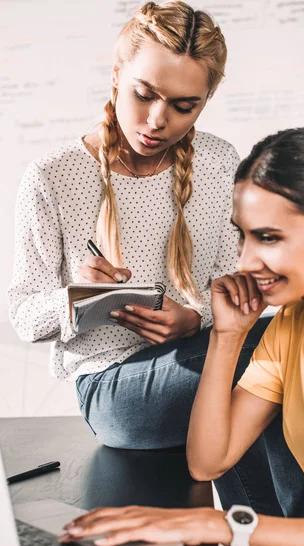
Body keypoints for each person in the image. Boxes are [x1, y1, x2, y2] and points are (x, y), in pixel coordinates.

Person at [60, 127, 304, 546]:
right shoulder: (292, 323)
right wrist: (226, 335)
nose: (245, 260)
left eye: (268, 237)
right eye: (243, 236)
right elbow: (208, 459)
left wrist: (219, 526)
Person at [7, 0, 270, 449]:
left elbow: (240, 286)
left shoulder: (220, 160)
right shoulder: (53, 176)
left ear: (206, 102)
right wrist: (76, 296)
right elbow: (23, 318)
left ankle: (279, 520)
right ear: (115, 75)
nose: (157, 121)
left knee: (293, 352)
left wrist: (193, 320)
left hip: (206, 359)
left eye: (185, 106)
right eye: (144, 94)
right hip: (114, 390)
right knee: (297, 341)